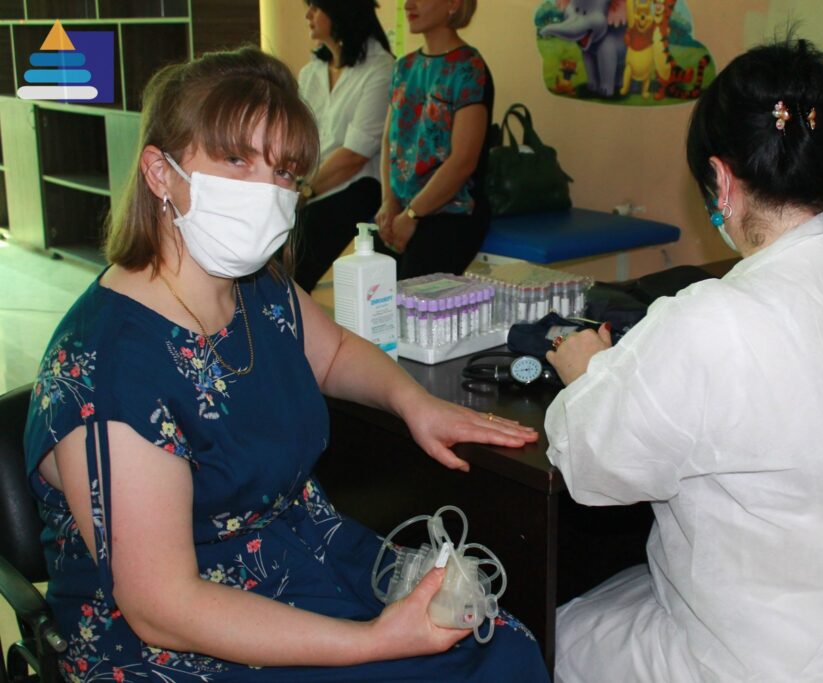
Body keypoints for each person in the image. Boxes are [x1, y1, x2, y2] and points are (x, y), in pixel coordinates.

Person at [22, 47, 549, 682]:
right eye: (237, 160)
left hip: (293, 549)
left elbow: (334, 354)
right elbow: (164, 607)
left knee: (504, 649)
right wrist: (377, 641)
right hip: (177, 632)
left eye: (285, 172)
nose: (268, 193)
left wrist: (416, 403)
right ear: (160, 173)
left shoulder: (255, 286)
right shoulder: (111, 368)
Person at [543, 38, 823, 682]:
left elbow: (597, 470)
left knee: (557, 632)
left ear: (722, 180)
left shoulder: (713, 318)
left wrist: (588, 373)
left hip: (777, 660)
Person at [375, 0, 494, 280]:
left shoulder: (469, 68)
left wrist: (412, 215)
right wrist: (388, 201)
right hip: (401, 210)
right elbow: (389, 142)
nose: (408, 4)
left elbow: (463, 161)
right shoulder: (404, 67)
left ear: (453, 4)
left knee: (409, 297)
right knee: (372, 295)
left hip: (450, 212)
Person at [292, 0, 394, 292]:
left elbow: (354, 156)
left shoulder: (381, 69)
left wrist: (305, 191)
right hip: (309, 184)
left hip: (356, 185)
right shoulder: (311, 72)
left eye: (315, 7)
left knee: (295, 254)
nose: (308, 15)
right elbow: (297, 139)